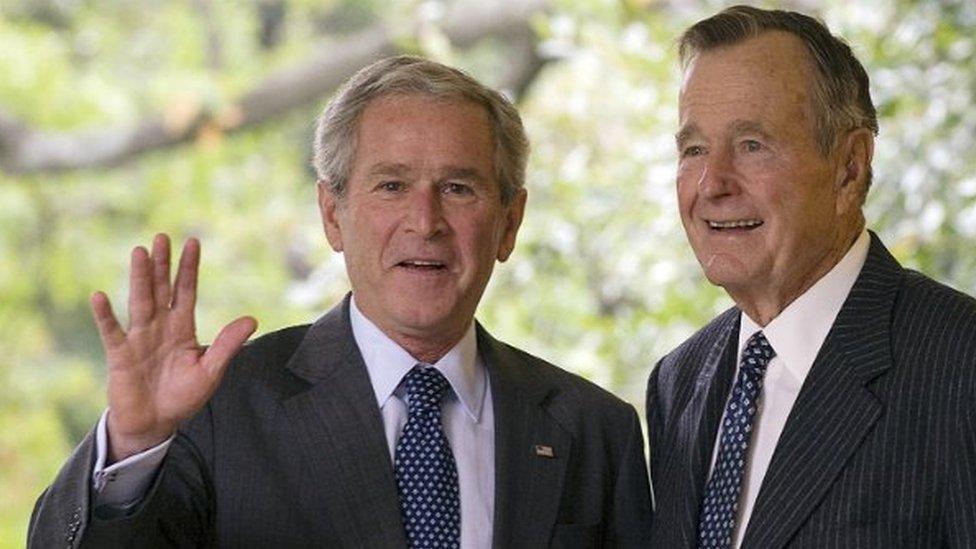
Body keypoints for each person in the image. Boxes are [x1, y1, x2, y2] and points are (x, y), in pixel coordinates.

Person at [29, 56, 653, 548]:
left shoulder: (595, 430)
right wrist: (135, 442)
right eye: (391, 185)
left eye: (458, 188)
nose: (425, 221)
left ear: (510, 222)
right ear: (333, 215)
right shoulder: (216, 406)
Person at [646, 5, 976, 548]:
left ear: (849, 167)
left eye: (752, 144)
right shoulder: (678, 383)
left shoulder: (959, 361)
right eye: (694, 149)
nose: (712, 183)